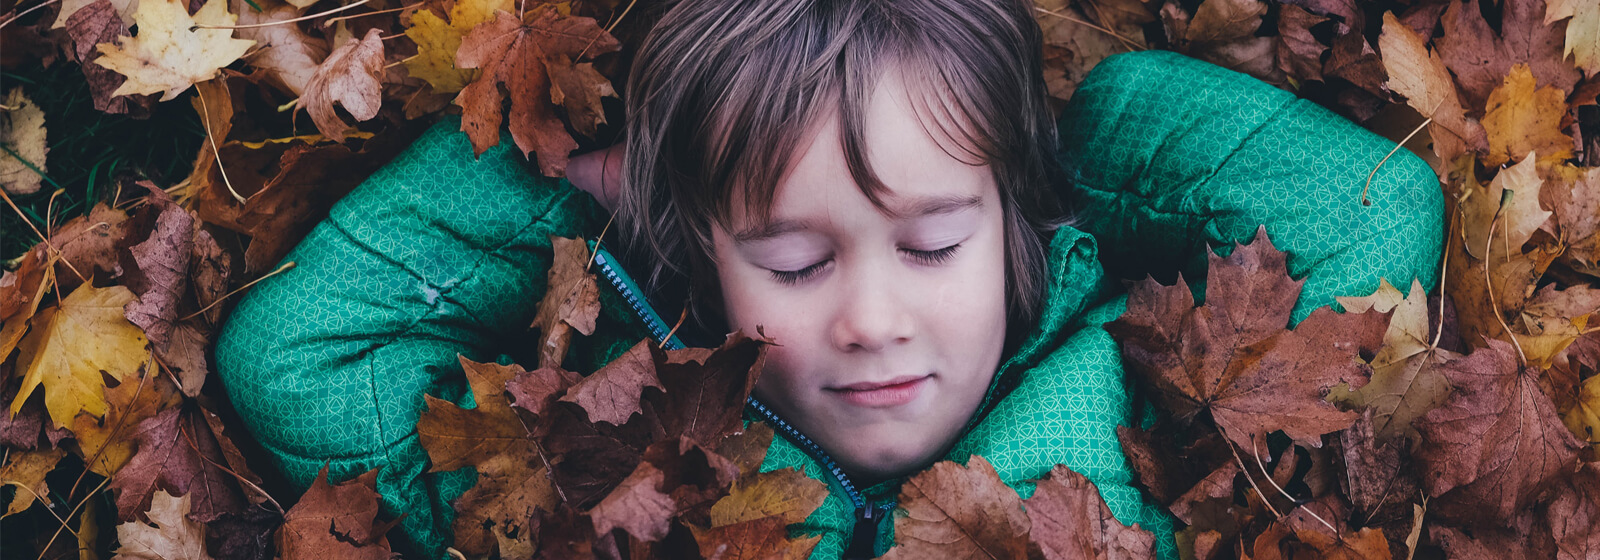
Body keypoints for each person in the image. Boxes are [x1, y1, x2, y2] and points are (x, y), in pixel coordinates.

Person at [215, 0, 1443, 558]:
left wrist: (1071, 142)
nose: (869, 317)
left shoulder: (1155, 391)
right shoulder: (595, 448)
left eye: (930, 242)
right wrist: (568, 175)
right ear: (701, 247)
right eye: (794, 258)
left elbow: (1374, 207)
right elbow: (301, 356)